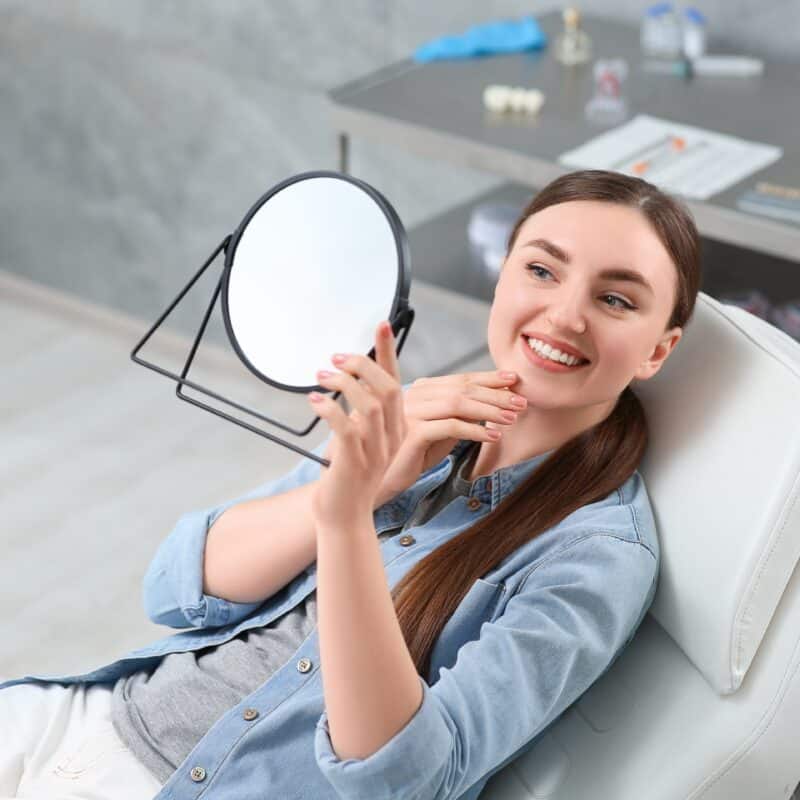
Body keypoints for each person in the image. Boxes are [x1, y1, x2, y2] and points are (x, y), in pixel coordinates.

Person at [0, 169, 701, 800]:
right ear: (503, 278)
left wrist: (344, 527)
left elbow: (405, 777)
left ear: (658, 350)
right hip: (82, 716)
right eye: (543, 271)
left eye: (614, 299)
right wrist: (359, 486)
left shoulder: (596, 555)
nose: (565, 314)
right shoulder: (417, 417)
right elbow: (178, 586)